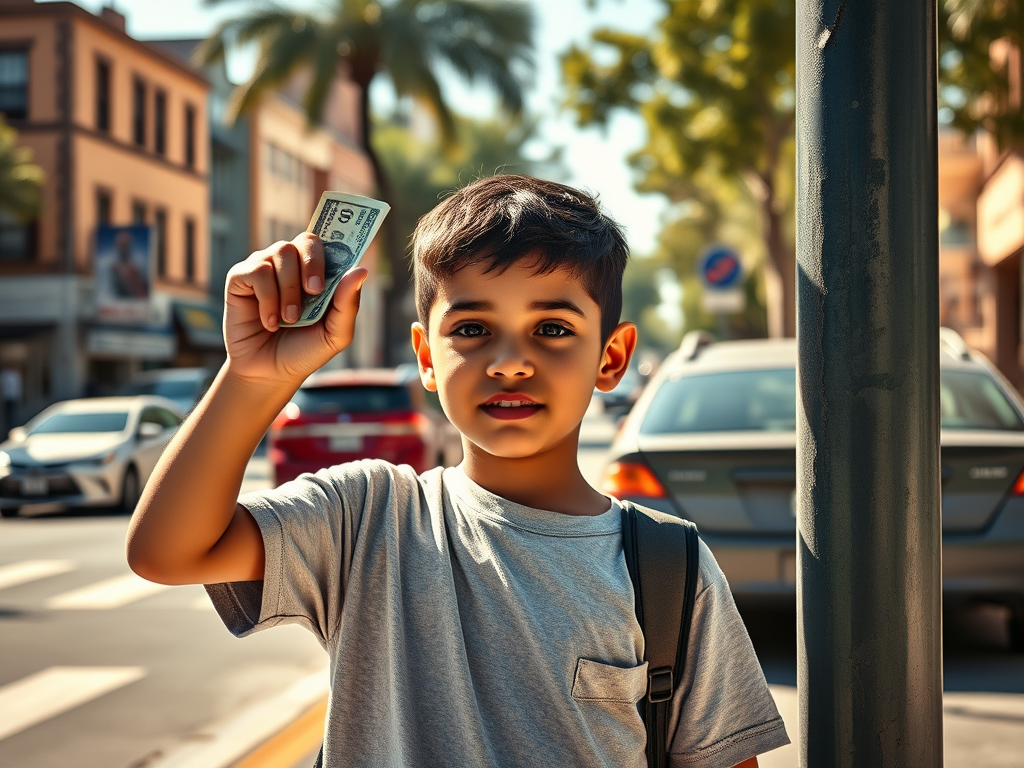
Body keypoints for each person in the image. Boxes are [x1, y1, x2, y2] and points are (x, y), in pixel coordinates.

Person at [126, 176, 789, 768]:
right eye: (472, 329)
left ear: (610, 358)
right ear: (426, 356)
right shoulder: (368, 517)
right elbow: (168, 550)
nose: (509, 362)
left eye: (553, 329)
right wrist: (252, 378)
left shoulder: (668, 567)